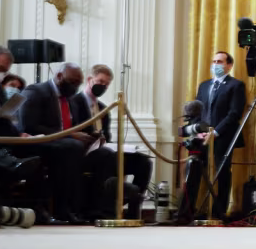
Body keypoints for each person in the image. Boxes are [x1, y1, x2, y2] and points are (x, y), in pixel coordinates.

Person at [70, 64, 154, 217]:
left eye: (106, 84)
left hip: (102, 150)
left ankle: (133, 203)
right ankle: (104, 210)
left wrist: (102, 138)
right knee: (107, 156)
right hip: (82, 152)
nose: (103, 86)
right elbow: (70, 128)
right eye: (100, 82)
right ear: (90, 79)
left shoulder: (103, 108)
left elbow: (107, 136)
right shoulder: (73, 102)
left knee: (143, 162)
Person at [17, 63, 98, 223]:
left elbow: (73, 125)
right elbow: (29, 126)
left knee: (102, 154)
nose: (75, 86)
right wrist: (69, 134)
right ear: (59, 76)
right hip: (37, 142)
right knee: (71, 148)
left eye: (78, 83)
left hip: (65, 144)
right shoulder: (36, 92)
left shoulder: (70, 99)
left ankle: (90, 209)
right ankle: (62, 209)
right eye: (73, 81)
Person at [194, 51, 246, 220]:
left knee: (222, 172)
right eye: (214, 61)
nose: (216, 64)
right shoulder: (204, 85)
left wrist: (216, 132)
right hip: (201, 136)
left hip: (223, 136)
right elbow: (197, 110)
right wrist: (197, 130)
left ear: (229, 65)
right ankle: (189, 210)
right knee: (194, 169)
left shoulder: (236, 85)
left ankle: (220, 211)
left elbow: (234, 113)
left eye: (220, 61)